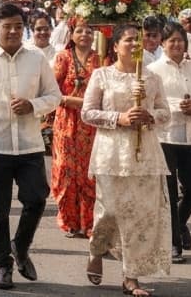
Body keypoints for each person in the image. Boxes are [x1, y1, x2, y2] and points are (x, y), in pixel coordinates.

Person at [0, 5, 61, 290]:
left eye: (19, 26)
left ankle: (20, 246)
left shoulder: (37, 58)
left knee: (37, 199)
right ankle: (3, 265)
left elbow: (54, 95)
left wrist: (34, 105)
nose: (15, 31)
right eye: (9, 26)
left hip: (29, 143)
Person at [82, 24, 171, 297]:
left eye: (138, 40)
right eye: (129, 40)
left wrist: (150, 116)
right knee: (110, 212)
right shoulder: (102, 76)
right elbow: (87, 113)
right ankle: (97, 249)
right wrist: (117, 118)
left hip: (146, 155)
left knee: (140, 217)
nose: (135, 45)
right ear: (116, 45)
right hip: (111, 154)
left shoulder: (152, 78)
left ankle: (130, 276)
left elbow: (165, 112)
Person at [148, 19, 191, 262]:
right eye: (172, 40)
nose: (177, 44)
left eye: (181, 40)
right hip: (164, 136)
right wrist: (180, 106)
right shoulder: (154, 69)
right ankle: (172, 243)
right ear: (163, 43)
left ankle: (179, 222)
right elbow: (152, 101)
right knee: (168, 189)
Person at [51, 19, 101, 237]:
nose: (84, 35)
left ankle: (89, 222)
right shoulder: (63, 58)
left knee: (89, 174)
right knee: (66, 172)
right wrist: (76, 102)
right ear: (71, 34)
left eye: (88, 31)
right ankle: (70, 221)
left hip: (91, 126)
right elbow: (52, 91)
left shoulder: (100, 59)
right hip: (67, 123)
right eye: (79, 31)